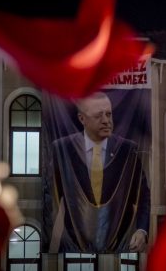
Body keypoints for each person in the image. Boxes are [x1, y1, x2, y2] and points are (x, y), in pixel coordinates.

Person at [48, 92, 150, 253]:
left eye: (108, 114)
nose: (106, 121)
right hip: (75, 250)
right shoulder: (62, 149)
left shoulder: (127, 150)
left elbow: (144, 195)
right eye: (98, 116)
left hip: (119, 249)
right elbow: (50, 198)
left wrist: (142, 230)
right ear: (82, 119)